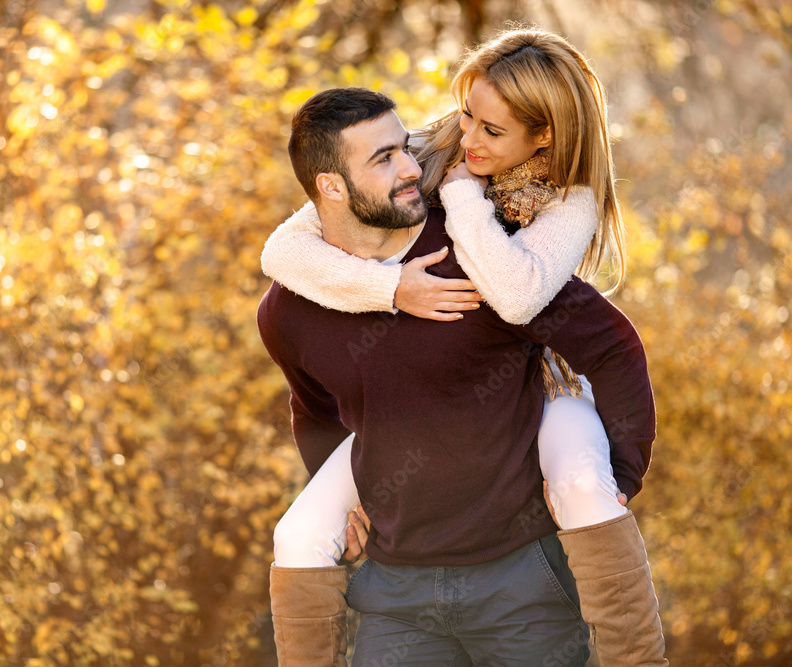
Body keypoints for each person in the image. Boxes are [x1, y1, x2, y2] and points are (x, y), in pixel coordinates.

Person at [262, 30, 668, 667]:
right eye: (467, 117)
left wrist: (626, 471)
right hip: (401, 576)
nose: (470, 138)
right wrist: (391, 288)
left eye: (493, 130)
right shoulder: (436, 151)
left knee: (583, 485)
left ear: (544, 136)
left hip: (551, 391)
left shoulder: (549, 216)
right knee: (297, 534)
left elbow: (534, 302)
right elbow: (285, 260)